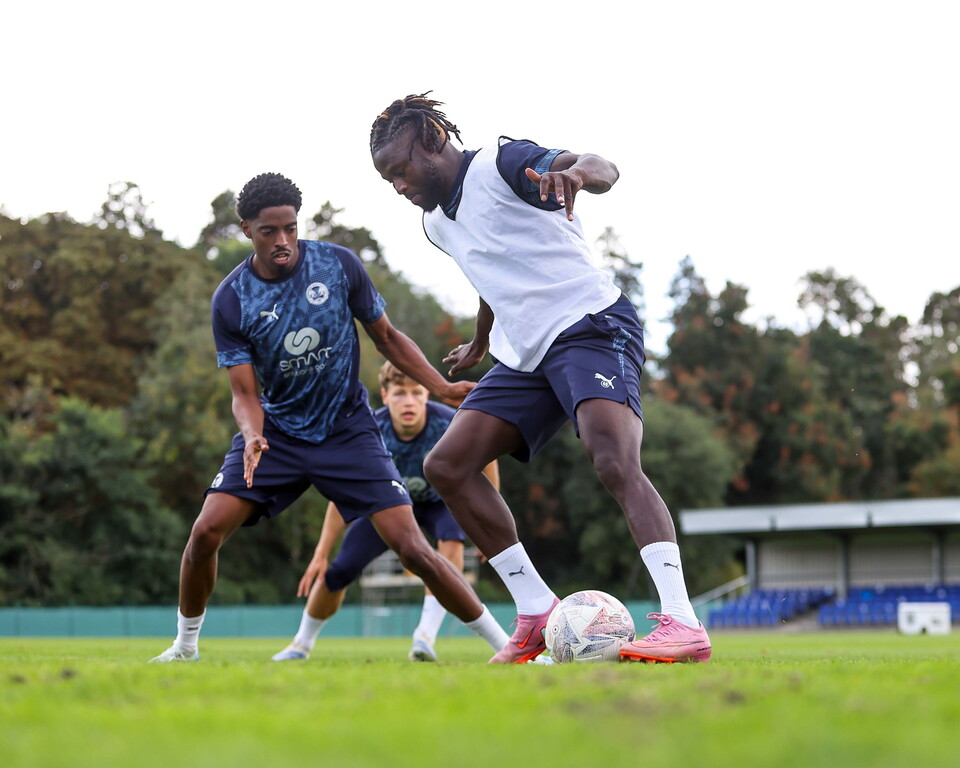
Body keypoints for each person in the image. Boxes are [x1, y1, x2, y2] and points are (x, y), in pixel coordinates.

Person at [369, 93, 712, 664]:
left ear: (433, 142)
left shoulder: (503, 163)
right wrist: (482, 338)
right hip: (525, 351)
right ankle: (535, 612)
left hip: (589, 324)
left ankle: (682, 621)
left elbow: (604, 167)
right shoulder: (434, 224)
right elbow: (489, 268)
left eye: (401, 170)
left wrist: (575, 173)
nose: (399, 186)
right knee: (446, 466)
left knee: (612, 459)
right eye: (388, 180)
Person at [149, 172, 507, 662]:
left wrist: (440, 386)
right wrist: (251, 435)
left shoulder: (337, 265)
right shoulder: (231, 299)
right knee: (206, 531)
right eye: (269, 232)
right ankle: (185, 647)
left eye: (290, 229)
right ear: (246, 229)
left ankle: (507, 647)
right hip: (275, 435)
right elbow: (242, 391)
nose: (282, 242)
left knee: (413, 548)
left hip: (347, 431)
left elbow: (386, 337)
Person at [272, 361, 505, 662]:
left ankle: (425, 637)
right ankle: (300, 645)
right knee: (340, 570)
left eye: (416, 392)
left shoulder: (449, 422)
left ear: (426, 395)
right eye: (399, 393)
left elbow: (488, 459)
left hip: (440, 502)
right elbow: (342, 492)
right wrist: (321, 552)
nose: (408, 401)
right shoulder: (369, 430)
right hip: (389, 505)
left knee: (451, 538)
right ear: (384, 395)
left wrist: (489, 523)